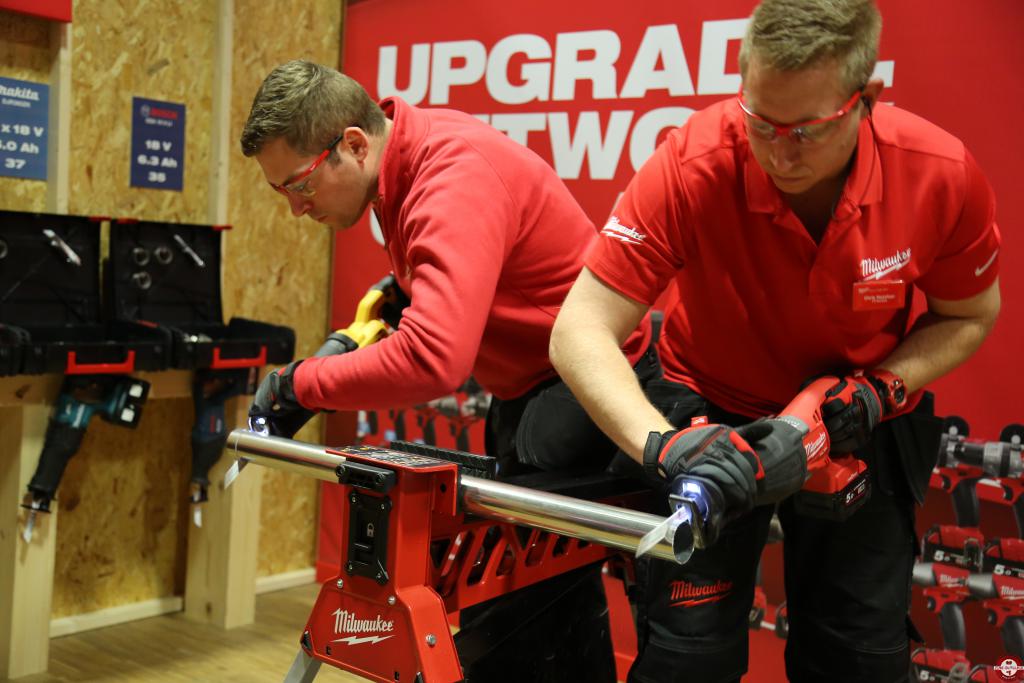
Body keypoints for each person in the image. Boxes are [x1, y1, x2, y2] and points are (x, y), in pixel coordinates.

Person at [549, 0, 1002, 681]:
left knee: (858, 659)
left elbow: (968, 314)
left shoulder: (938, 172)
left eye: (806, 131)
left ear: (866, 100)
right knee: (687, 660)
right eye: (759, 122)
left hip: (856, 417)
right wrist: (665, 445)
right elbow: (578, 329)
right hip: (711, 418)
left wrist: (882, 389)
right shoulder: (693, 161)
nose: (778, 153)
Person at [240, 60, 657, 681]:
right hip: (530, 389)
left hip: (589, 392)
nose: (296, 209)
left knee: (509, 625)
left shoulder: (451, 174)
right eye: (281, 192)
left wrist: (302, 385)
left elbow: (433, 356)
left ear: (353, 144)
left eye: (299, 185)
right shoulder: (405, 163)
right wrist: (403, 293)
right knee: (552, 618)